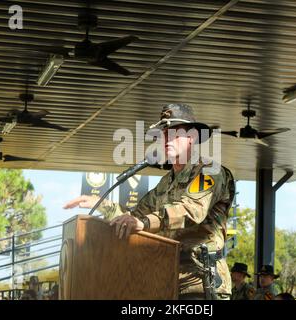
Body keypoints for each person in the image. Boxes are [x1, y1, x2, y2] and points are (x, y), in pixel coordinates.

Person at [64, 103, 236, 300]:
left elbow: (190, 211)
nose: (167, 139)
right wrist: (102, 204)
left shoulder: (210, 171)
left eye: (175, 133)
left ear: (192, 137)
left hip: (201, 284)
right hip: (166, 280)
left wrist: (144, 223)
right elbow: (135, 216)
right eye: (164, 134)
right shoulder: (166, 182)